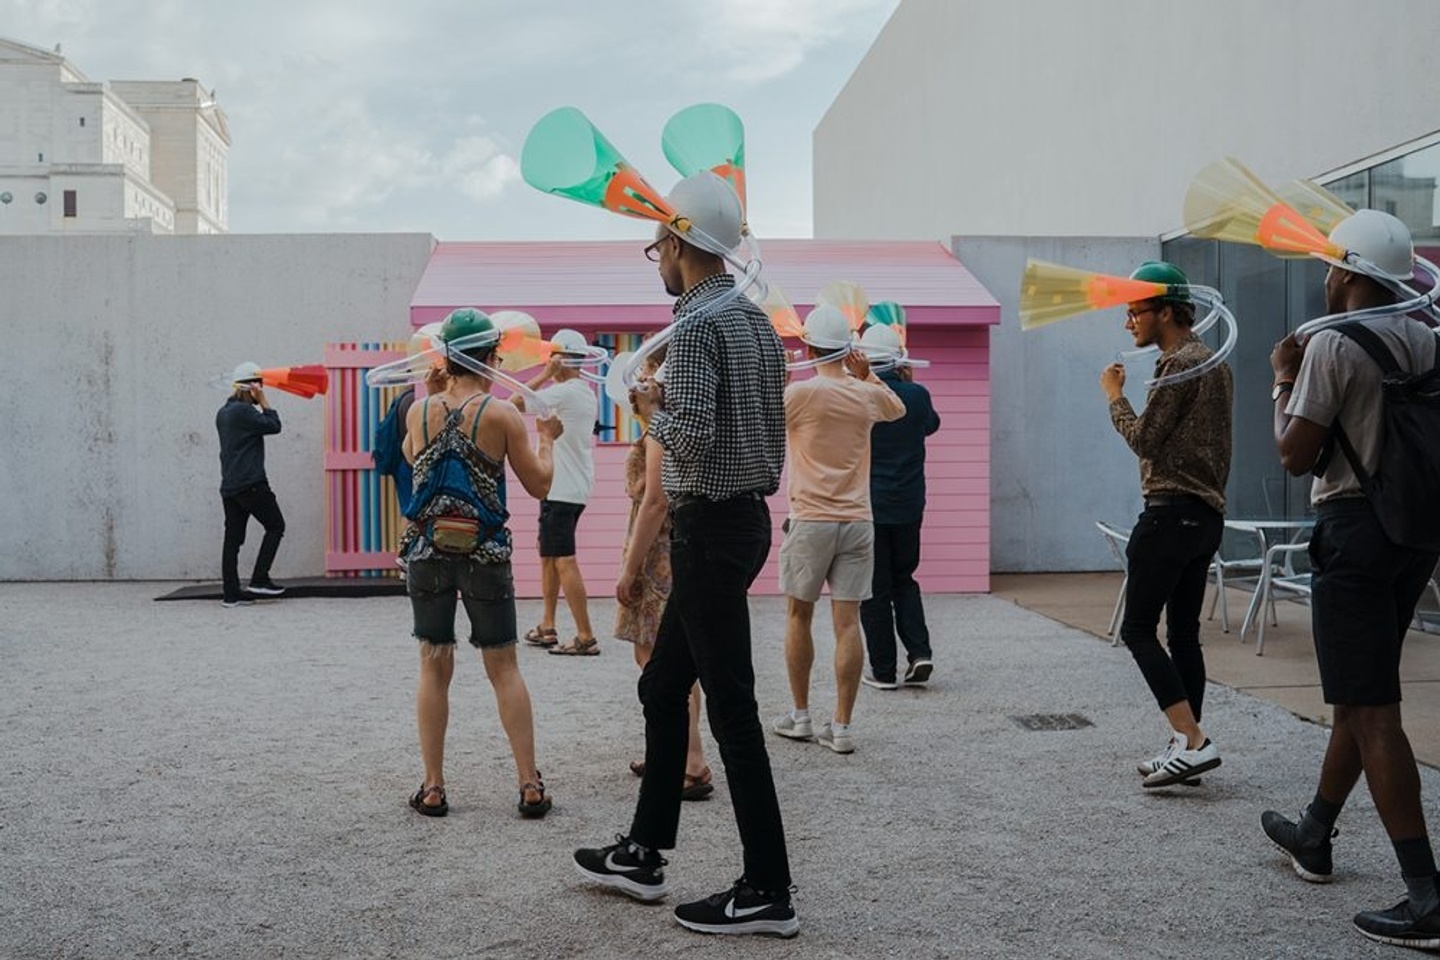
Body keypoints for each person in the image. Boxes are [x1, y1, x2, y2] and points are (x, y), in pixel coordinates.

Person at [572, 171, 798, 938]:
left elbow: (693, 435)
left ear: (676, 242)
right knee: (664, 689)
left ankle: (768, 888)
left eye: (657, 246)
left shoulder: (698, 326)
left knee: (731, 708)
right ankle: (644, 851)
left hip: (708, 530)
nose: (657, 259)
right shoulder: (758, 323)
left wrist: (650, 404)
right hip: (742, 521)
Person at [1262, 209, 1440, 949]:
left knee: (1372, 711)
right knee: (1359, 694)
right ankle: (1314, 833)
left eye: (1330, 266)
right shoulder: (1426, 336)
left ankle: (1426, 898)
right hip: (1412, 532)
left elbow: (1294, 455)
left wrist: (1282, 380)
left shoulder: (1331, 345)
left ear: (1345, 272)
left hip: (1354, 532)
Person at [400, 308, 563, 820]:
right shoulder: (501, 415)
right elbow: (540, 485)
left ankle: (432, 787)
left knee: (433, 662)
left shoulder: (417, 410)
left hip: (427, 549)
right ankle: (529, 784)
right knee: (504, 666)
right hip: (486, 553)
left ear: (446, 358)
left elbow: (413, 458)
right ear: (492, 358)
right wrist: (548, 439)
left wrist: (431, 391)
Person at [1100, 261, 1232, 789]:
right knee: (1183, 635)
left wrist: (1114, 394)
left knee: (1136, 629)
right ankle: (1186, 748)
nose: (1128, 322)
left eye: (1135, 311)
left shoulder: (1179, 363)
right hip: (1205, 515)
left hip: (1169, 512)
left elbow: (1145, 439)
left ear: (1167, 310)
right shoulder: (1213, 361)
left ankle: (1194, 741)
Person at [772, 306, 904, 754]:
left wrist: (786, 372)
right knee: (848, 624)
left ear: (808, 347)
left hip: (811, 518)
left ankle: (801, 716)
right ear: (849, 350)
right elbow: (897, 407)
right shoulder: (865, 394)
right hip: (858, 520)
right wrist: (867, 376)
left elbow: (767, 416)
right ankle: (842, 727)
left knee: (798, 616)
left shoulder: (801, 394)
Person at [614, 345, 713, 801]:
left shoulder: (661, 432)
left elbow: (655, 502)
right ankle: (673, 753)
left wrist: (629, 571)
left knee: (659, 664)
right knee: (671, 663)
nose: (640, 383)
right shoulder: (679, 425)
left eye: (647, 372)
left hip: (657, 556)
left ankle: (690, 761)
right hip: (676, 549)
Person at [856, 327, 942, 690]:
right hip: (909, 505)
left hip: (870, 507)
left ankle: (883, 670)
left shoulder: (860, 396)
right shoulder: (917, 396)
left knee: (874, 589)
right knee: (904, 580)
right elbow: (931, 426)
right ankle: (919, 652)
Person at [512, 329, 599, 655]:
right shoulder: (582, 391)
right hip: (566, 486)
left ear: (561, 359)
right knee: (549, 556)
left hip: (562, 488)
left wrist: (544, 375)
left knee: (563, 560)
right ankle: (547, 625)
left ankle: (585, 635)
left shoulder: (564, 392)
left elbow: (512, 405)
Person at [216, 362, 288, 608]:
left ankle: (231, 594)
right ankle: (259, 579)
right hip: (251, 483)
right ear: (252, 387)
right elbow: (274, 426)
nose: (262, 389)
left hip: (230, 486)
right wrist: (264, 400)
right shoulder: (244, 412)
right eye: (260, 385)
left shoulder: (224, 412)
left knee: (232, 540)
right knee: (276, 525)